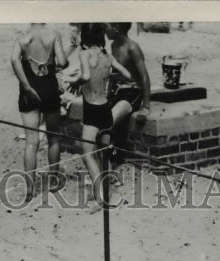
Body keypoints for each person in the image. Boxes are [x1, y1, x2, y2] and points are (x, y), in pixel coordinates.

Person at [70, 23, 133, 211]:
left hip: (92, 110)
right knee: (102, 155)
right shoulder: (107, 56)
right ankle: (104, 192)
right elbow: (127, 75)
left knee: (88, 154)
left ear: (84, 37)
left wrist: (75, 81)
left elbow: (86, 75)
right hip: (106, 108)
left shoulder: (84, 54)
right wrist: (107, 77)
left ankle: (101, 199)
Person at [11, 23, 69, 199]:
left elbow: (14, 60)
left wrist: (27, 86)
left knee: (31, 142)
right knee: (53, 138)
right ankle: (53, 181)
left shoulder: (22, 37)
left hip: (30, 91)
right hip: (49, 88)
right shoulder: (52, 34)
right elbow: (63, 62)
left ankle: (30, 190)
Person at [105, 23, 152, 139]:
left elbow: (144, 77)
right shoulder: (113, 45)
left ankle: (101, 156)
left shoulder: (132, 48)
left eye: (106, 27)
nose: (105, 31)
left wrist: (145, 107)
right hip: (118, 92)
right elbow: (115, 72)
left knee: (107, 124)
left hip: (131, 93)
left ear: (116, 28)